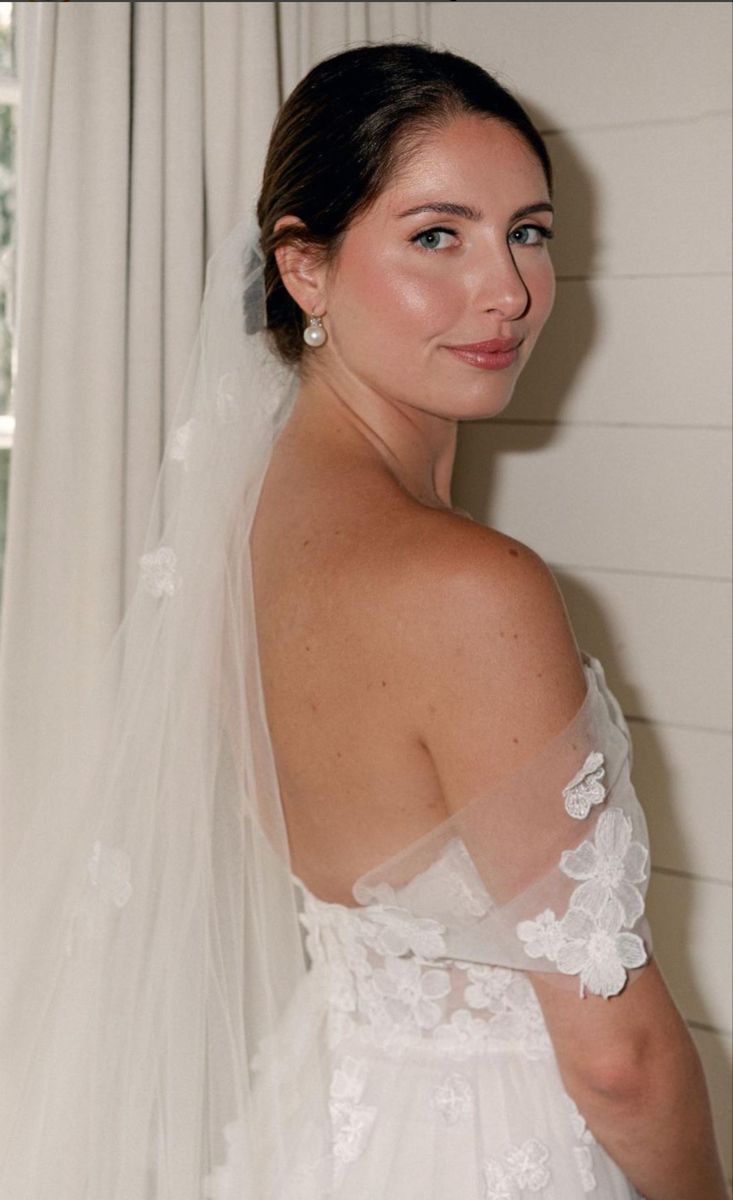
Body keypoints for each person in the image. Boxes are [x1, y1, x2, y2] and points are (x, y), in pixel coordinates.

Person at [0, 40, 726, 1200]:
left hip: (335, 1127)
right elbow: (618, 1058)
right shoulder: (467, 584)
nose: (507, 291)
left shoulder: (243, 518)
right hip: (501, 1148)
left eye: (526, 232)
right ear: (305, 268)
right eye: (437, 235)